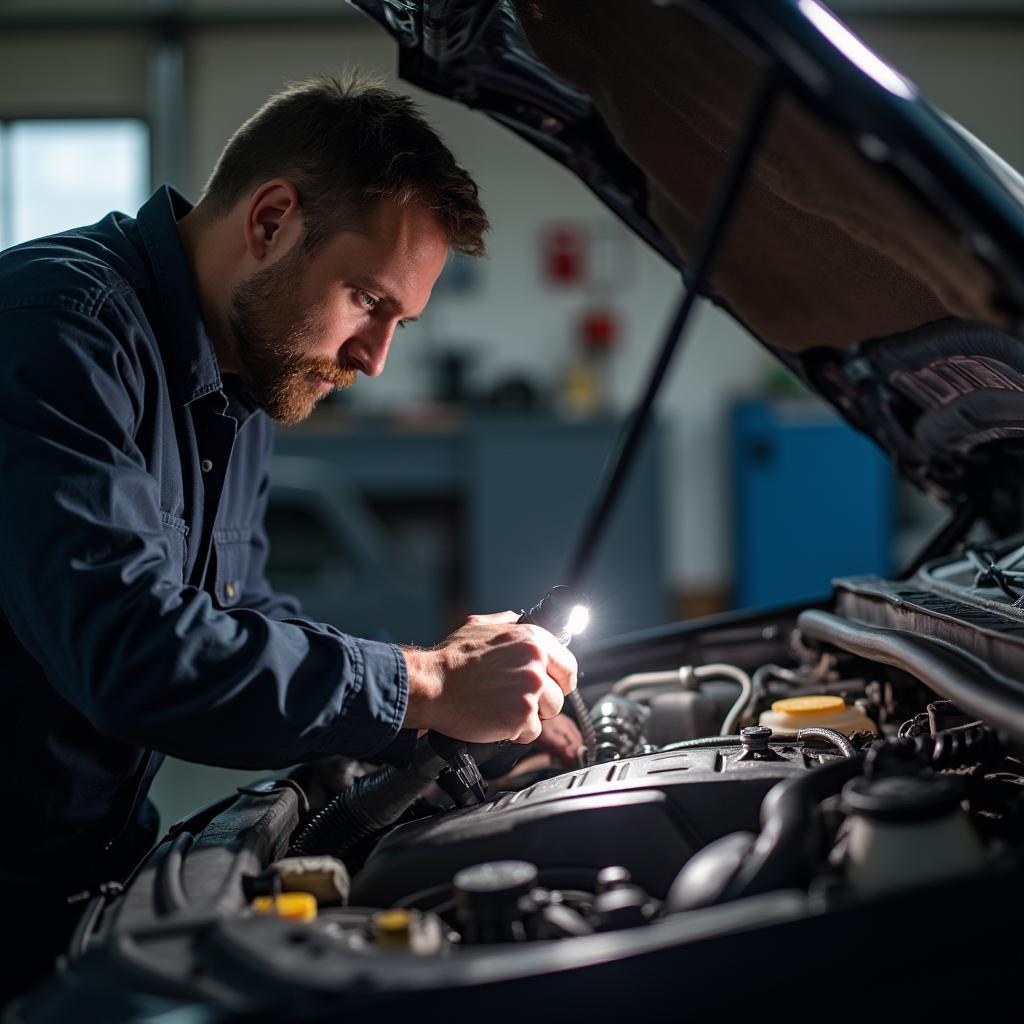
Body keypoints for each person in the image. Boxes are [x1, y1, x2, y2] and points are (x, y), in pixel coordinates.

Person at [0, 73, 581, 1006]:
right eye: (366, 300)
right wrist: (423, 680)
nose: (374, 357)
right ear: (270, 220)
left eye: (400, 322)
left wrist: (437, 726)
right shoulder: (55, 332)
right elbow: (135, 652)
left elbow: (238, 614)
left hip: (82, 871)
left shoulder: (246, 373)